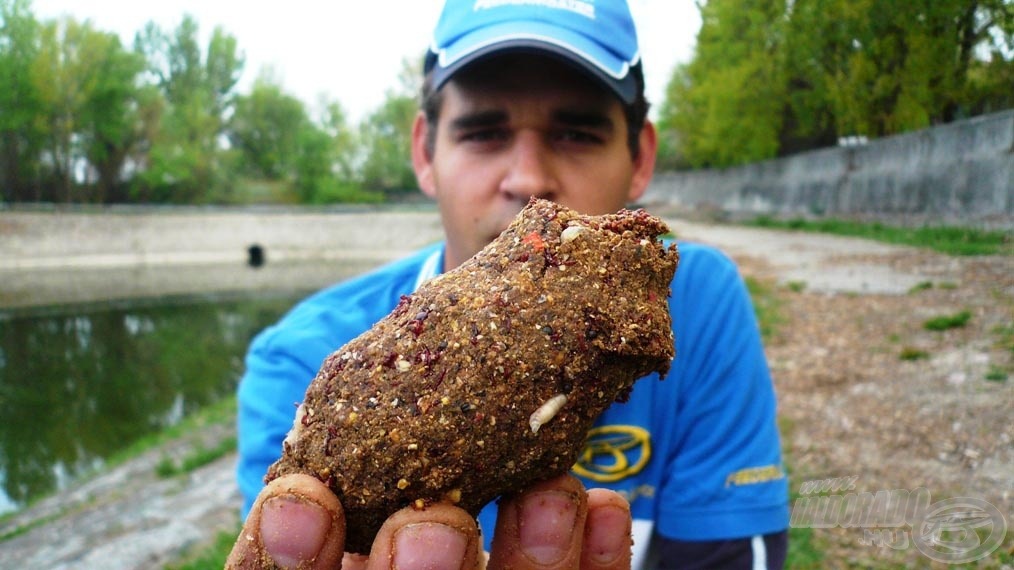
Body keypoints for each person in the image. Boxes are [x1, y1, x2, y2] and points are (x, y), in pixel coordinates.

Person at [230, 1, 790, 568]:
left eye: (575, 133)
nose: (528, 181)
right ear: (425, 153)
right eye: (484, 132)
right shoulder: (297, 361)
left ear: (640, 157)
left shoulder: (695, 305)